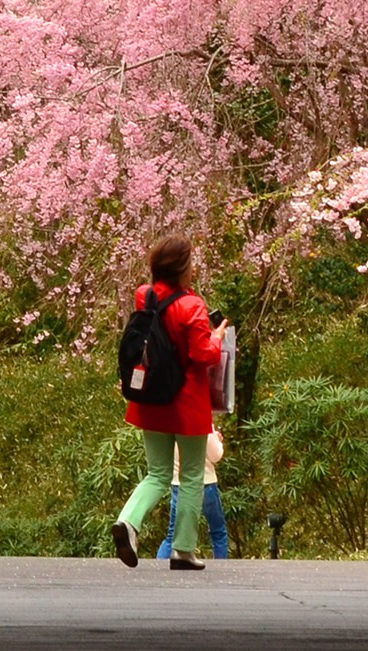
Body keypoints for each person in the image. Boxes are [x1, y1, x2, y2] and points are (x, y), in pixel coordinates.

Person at [110, 235, 224, 572]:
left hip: (151, 399)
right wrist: (217, 339)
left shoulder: (145, 296)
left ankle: (128, 522)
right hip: (186, 404)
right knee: (190, 476)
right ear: (183, 268)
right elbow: (202, 355)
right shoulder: (192, 307)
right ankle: (183, 550)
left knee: (157, 474)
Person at [156, 428, 230, 562]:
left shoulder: (171, 426)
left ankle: (160, 564)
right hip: (206, 482)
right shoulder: (203, 423)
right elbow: (215, 455)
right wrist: (219, 442)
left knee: (172, 534)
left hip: (178, 483)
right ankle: (221, 565)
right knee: (218, 531)